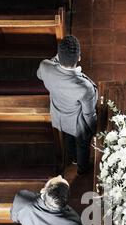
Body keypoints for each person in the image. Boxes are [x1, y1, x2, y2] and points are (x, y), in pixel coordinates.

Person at [37, 35, 98, 175]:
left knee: (68, 139)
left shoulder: (45, 67)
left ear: (58, 54)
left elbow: (39, 75)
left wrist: (56, 59)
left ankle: (74, 158)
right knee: (82, 145)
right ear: (79, 57)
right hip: (78, 123)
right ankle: (82, 167)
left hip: (58, 116)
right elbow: (89, 113)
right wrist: (94, 129)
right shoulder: (84, 87)